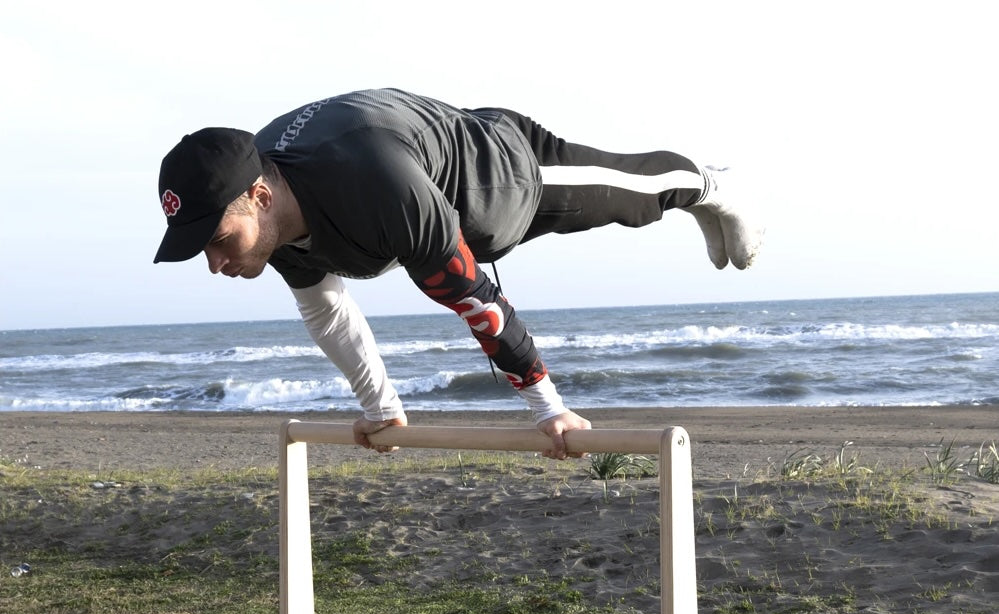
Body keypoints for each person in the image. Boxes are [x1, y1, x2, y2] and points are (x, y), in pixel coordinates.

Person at [154, 88, 763, 459]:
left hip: (502, 177)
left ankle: (713, 188)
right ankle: (702, 196)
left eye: (216, 241)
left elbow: (472, 295)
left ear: (261, 194)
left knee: (635, 194)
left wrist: (548, 407)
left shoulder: (375, 188)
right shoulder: (274, 220)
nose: (216, 263)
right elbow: (327, 311)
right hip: (423, 163)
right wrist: (381, 408)